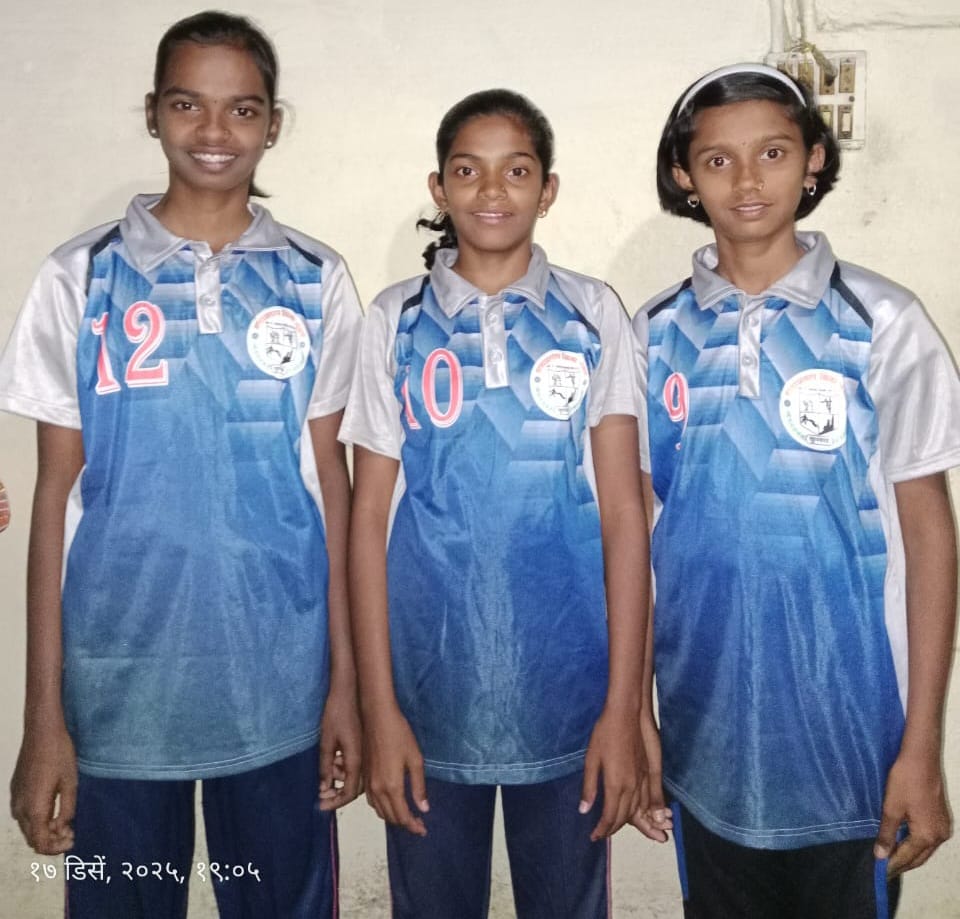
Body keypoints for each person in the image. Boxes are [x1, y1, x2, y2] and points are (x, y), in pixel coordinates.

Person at [0, 11, 363, 918]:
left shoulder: (316, 280)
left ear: (272, 123)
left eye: (242, 109)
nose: (214, 130)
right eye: (187, 104)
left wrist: (345, 686)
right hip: (117, 691)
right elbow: (55, 499)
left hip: (278, 689)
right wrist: (44, 717)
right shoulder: (80, 277)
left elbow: (333, 492)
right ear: (153, 113)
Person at [632, 62, 960, 918]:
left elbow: (930, 535)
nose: (747, 180)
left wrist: (922, 744)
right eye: (718, 160)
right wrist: (635, 710)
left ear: (813, 158)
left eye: (773, 152)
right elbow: (638, 531)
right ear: (683, 174)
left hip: (852, 736)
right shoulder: (654, 333)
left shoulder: (883, 323)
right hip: (705, 727)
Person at [340, 88, 650, 918]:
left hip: (570, 698)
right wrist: (378, 706)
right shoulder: (394, 319)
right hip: (428, 698)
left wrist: (623, 710)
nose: (491, 190)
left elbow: (625, 516)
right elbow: (368, 521)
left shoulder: (592, 314)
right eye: (467, 170)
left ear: (547, 190)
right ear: (438, 188)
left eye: (516, 171)